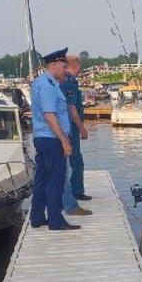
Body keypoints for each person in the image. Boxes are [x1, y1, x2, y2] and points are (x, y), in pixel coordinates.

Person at [29, 49, 80, 231]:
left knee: (41, 179)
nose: (66, 70)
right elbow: (50, 116)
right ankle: (55, 220)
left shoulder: (41, 83)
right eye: (64, 66)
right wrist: (65, 141)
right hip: (51, 139)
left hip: (42, 138)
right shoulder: (49, 86)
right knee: (55, 180)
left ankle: (36, 217)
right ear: (53, 65)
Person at [62, 53, 91, 207]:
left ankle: (68, 190)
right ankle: (76, 190)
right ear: (78, 66)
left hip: (64, 126)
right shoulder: (71, 83)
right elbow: (72, 107)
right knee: (76, 160)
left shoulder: (61, 81)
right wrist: (82, 128)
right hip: (72, 127)